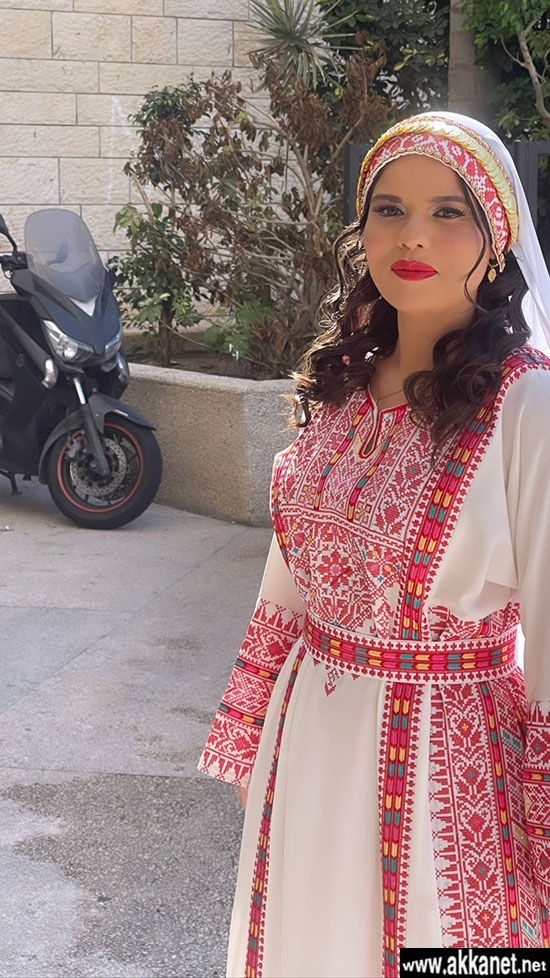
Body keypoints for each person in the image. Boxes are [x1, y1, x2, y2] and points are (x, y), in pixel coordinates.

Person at [198, 112, 550, 977]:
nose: (412, 235)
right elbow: (288, 581)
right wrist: (252, 727)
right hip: (307, 736)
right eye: (388, 209)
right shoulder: (342, 385)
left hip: (450, 759)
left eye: (449, 212)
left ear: (497, 241)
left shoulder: (527, 406)